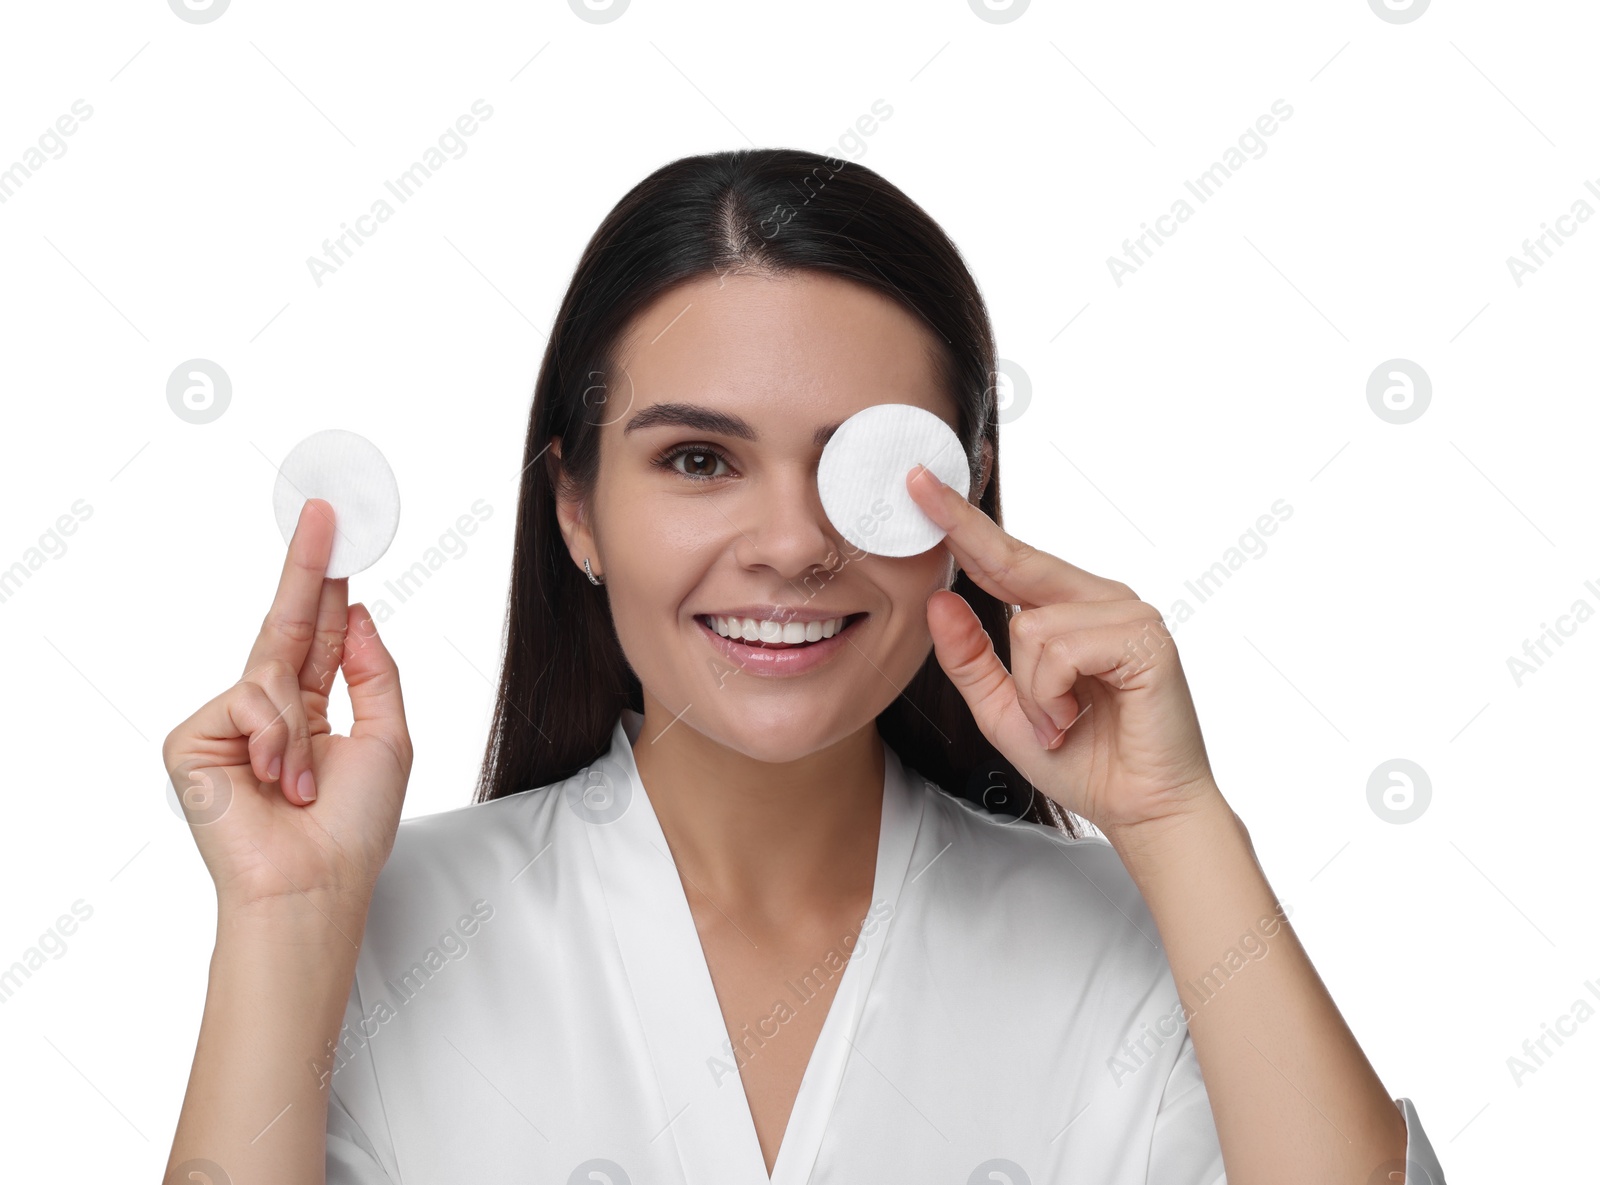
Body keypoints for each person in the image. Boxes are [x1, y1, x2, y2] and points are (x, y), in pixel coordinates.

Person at [163, 149, 1446, 1184]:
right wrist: (284, 920)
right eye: (698, 460)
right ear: (576, 511)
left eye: (867, 474)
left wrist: (1177, 824)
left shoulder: (1138, 942)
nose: (790, 546)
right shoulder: (384, 933)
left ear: (964, 509)